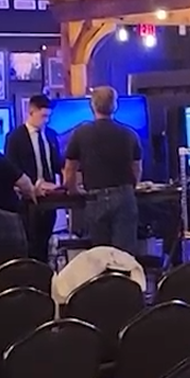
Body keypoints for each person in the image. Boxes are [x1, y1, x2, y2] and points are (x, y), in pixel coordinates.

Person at [62, 86, 141, 254]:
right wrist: (131, 189)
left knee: (101, 255)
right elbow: (136, 169)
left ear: (92, 105)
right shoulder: (129, 134)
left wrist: (73, 190)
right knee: (124, 256)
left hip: (95, 198)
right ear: (115, 106)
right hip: (124, 197)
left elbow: (70, 169)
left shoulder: (80, 133)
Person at [6, 94, 64, 262]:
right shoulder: (15, 137)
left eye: (48, 116)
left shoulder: (51, 135)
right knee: (32, 242)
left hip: (50, 197)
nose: (46, 120)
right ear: (31, 112)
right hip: (27, 199)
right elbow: (12, 168)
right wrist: (32, 185)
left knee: (45, 240)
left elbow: (56, 163)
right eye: (43, 116)